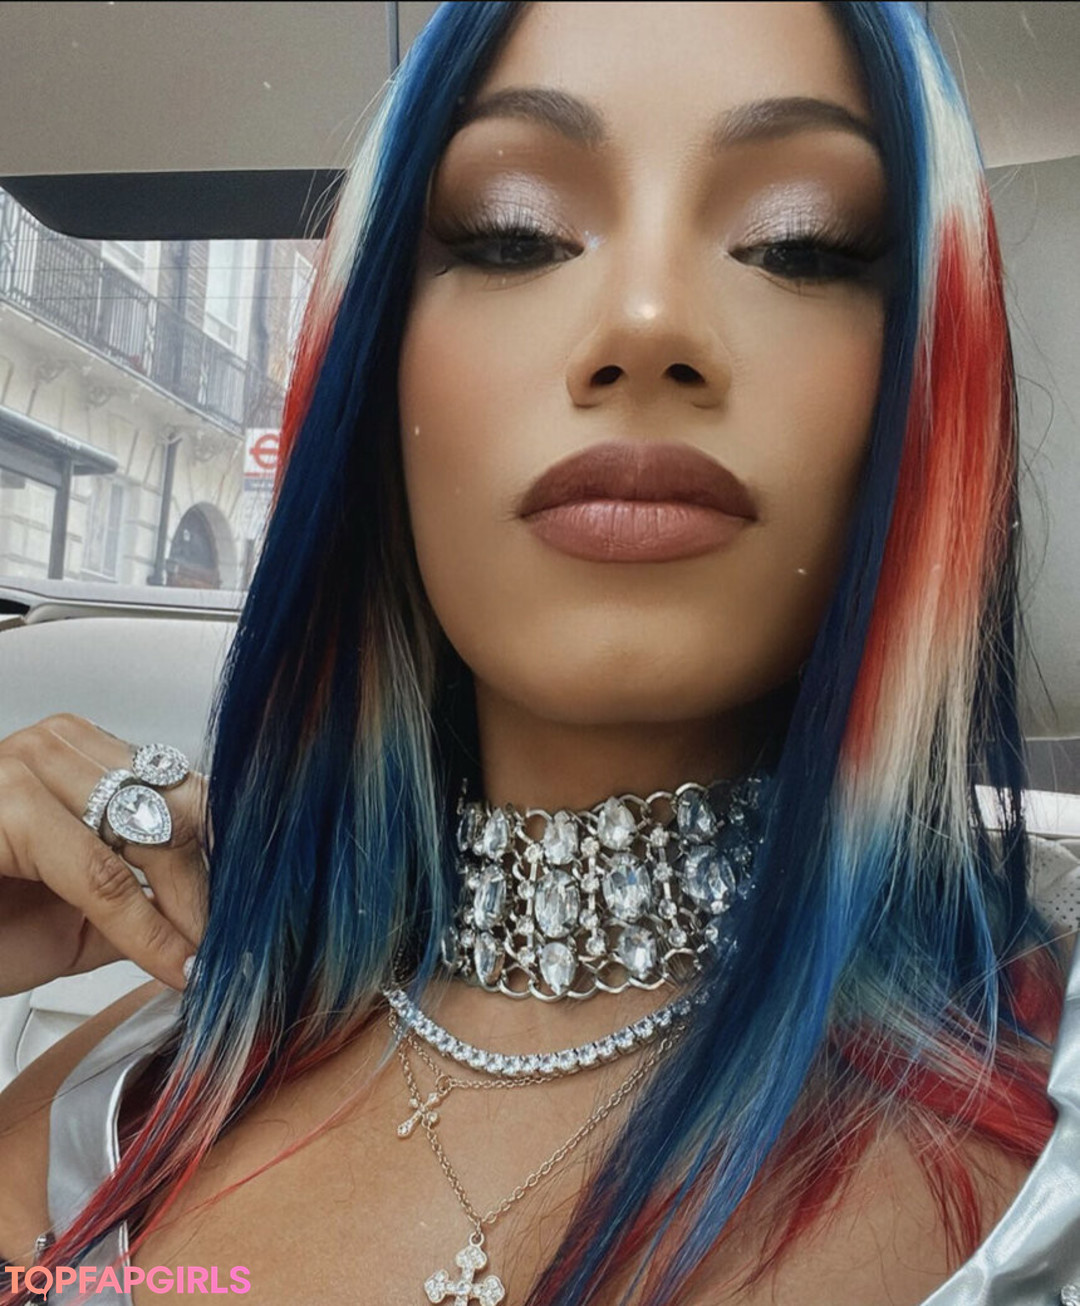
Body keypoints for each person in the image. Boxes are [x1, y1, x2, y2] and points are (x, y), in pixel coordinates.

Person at [0, 2, 1077, 1303]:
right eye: (513, 233)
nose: (646, 322)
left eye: (799, 243)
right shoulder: (122, 1107)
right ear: (378, 372)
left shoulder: (1049, 1154)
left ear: (922, 388)